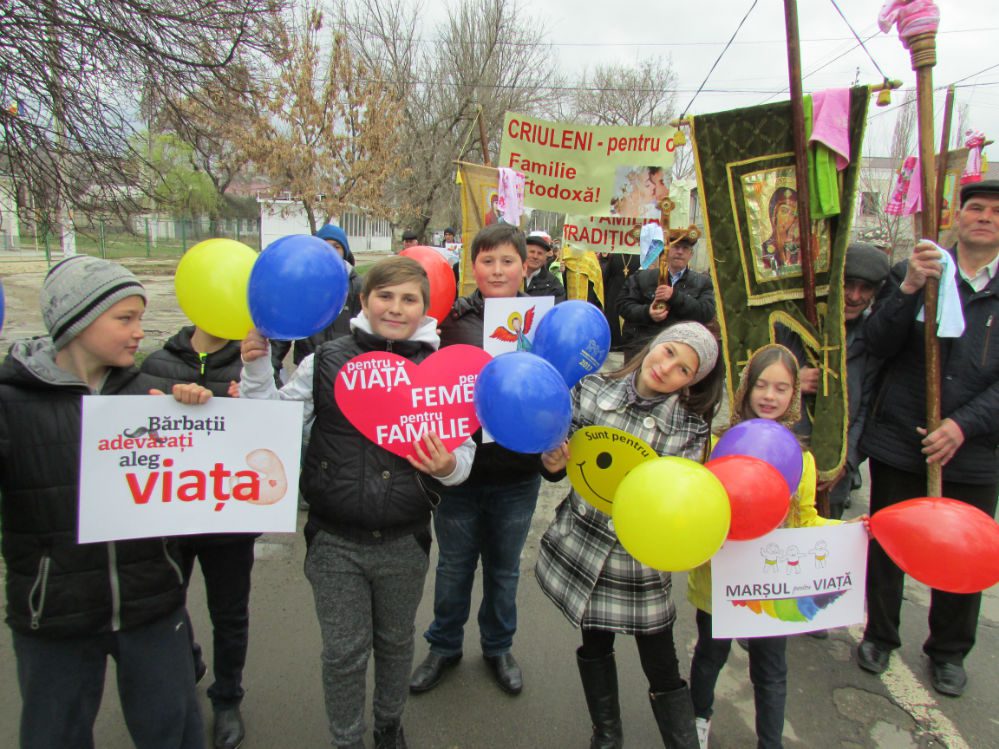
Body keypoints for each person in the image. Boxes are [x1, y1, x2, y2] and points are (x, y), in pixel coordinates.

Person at [239, 256, 475, 749]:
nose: (396, 308)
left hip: (405, 539)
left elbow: (463, 459)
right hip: (335, 541)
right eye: (384, 296)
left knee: (395, 643)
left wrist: (446, 466)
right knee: (343, 652)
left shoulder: (441, 372)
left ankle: (389, 725)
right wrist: (257, 368)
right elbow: (271, 426)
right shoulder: (325, 361)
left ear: (425, 308)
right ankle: (345, 738)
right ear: (363, 300)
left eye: (409, 299)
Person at [0, 255, 207, 749]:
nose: (139, 332)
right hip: (54, 612)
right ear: (77, 321)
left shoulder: (151, 396)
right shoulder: (11, 404)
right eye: (125, 318)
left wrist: (194, 417)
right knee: (55, 734)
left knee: (173, 730)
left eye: (140, 318)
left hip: (151, 602)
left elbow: (197, 485)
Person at [536, 322, 723, 749]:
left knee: (661, 664)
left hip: (638, 563)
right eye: (669, 352)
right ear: (656, 343)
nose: (667, 368)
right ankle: (606, 735)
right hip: (584, 548)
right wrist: (550, 462)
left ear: (690, 382)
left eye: (684, 369)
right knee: (594, 645)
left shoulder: (690, 429)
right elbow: (561, 465)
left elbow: (681, 503)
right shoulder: (590, 389)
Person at [855, 179, 999, 698]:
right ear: (957, 217)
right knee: (890, 544)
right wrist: (910, 288)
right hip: (902, 438)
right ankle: (879, 634)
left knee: (964, 552)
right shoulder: (918, 269)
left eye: (996, 212)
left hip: (974, 449)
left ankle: (948, 651)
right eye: (975, 208)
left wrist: (962, 425)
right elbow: (877, 341)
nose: (985, 217)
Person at [686, 344, 845, 749]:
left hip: (771, 585)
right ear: (745, 388)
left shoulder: (801, 459)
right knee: (710, 656)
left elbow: (806, 519)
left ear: (795, 395)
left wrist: (849, 532)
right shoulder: (714, 444)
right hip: (719, 581)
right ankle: (698, 719)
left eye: (781, 388)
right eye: (761, 385)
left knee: (771, 670)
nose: (769, 396)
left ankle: (770, 742)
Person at [410, 223, 541, 697]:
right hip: (458, 473)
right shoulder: (451, 321)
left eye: (507, 260)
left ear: (525, 265)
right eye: (487, 261)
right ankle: (443, 646)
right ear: (473, 267)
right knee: (453, 568)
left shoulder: (542, 322)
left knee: (504, 571)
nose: (498, 270)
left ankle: (498, 648)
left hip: (518, 474)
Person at [140, 325, 257, 749]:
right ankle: (188, 659)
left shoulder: (251, 366)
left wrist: (251, 405)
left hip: (229, 520)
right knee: (167, 602)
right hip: (169, 516)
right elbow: (134, 437)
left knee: (229, 614)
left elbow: (272, 435)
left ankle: (227, 697)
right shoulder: (156, 362)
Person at [786, 243, 890, 518]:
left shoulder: (872, 337)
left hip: (835, 471)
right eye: (848, 285)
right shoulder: (797, 324)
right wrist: (791, 381)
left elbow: (867, 405)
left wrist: (847, 461)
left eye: (865, 288)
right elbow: (758, 375)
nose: (854, 296)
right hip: (787, 457)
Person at [271, 224, 363, 368]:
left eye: (336, 246)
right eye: (324, 246)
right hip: (308, 368)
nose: (330, 251)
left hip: (345, 368)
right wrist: (271, 368)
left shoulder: (357, 286)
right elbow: (283, 331)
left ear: (345, 252)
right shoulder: (302, 285)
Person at [617, 234, 716, 359]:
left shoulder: (702, 282)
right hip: (642, 349)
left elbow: (706, 313)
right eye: (676, 247)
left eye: (685, 248)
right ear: (666, 251)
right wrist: (647, 312)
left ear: (691, 254)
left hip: (679, 351)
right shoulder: (641, 277)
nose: (680, 252)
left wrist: (675, 297)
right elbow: (623, 305)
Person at [599, 252, 641, 352]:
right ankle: (617, 343)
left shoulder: (637, 257)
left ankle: (618, 343)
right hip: (619, 291)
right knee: (613, 318)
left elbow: (606, 276)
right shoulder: (617, 256)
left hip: (624, 291)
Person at [761, 188, 800, 271]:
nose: (787, 219)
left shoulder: (797, 248)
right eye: (784, 211)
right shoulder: (765, 249)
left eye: (792, 214)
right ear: (775, 214)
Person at [524, 230, 566, 303]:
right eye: (532, 252)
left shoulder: (553, 285)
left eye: (540, 253)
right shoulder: (512, 278)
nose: (535, 256)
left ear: (545, 257)